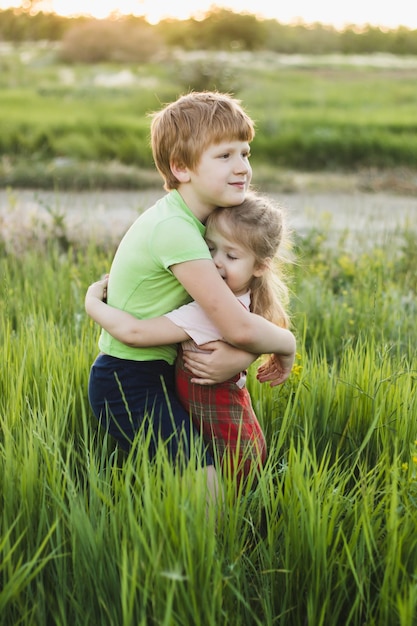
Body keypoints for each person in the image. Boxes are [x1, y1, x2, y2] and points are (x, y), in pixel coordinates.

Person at [86, 90, 296, 504]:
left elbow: (224, 314)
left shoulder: (202, 222)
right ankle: (203, 563)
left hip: (160, 371)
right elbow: (235, 325)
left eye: (245, 153)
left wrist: (242, 356)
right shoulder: (177, 232)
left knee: (208, 468)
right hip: (128, 380)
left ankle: (206, 545)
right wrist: (285, 345)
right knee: (205, 479)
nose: (242, 168)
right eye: (224, 156)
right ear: (180, 167)